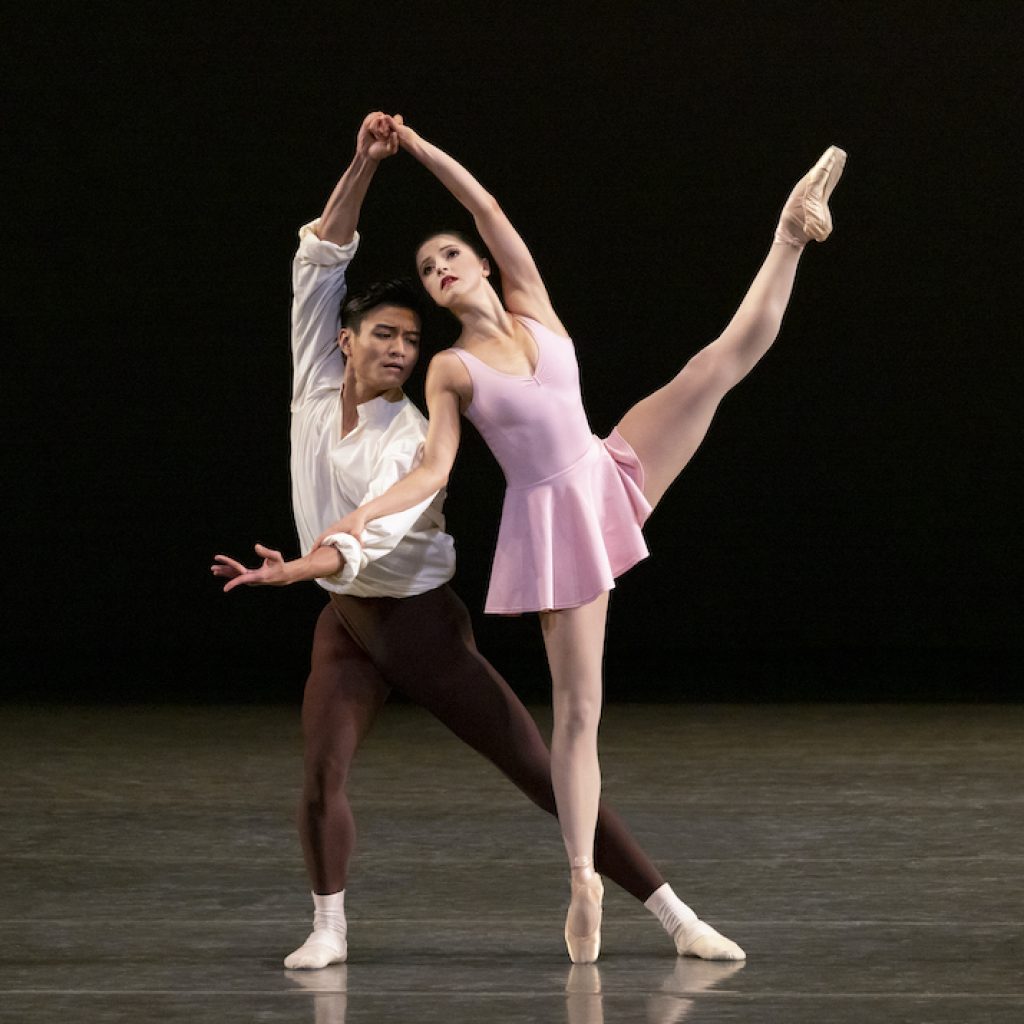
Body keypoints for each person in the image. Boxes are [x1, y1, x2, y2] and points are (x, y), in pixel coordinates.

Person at [212, 112, 745, 969]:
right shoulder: (314, 382)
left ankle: (672, 911)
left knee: (543, 770)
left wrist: (302, 566)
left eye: (411, 338)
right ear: (343, 342)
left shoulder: (413, 431)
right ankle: (329, 928)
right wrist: (363, 163)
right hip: (346, 624)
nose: (398, 348)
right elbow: (320, 258)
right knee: (320, 773)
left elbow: (368, 537)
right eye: (382, 334)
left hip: (420, 626)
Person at [314, 114, 846, 963]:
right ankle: (582, 882)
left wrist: (417, 149)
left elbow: (484, 203)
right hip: (552, 525)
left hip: (607, 468)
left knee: (718, 363)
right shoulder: (452, 367)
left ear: (482, 264)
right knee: (579, 714)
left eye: (450, 255)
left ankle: (788, 233)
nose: (442, 268)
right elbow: (433, 470)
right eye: (427, 269)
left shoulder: (532, 304)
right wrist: (361, 517)